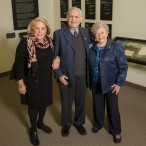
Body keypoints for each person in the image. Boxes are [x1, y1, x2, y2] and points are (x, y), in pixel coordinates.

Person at [10, 17, 56, 146]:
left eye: (43, 28)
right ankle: (33, 129)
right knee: (34, 104)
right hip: (31, 79)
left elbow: (55, 56)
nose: (40, 31)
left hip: (46, 78)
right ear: (32, 29)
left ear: (46, 29)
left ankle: (40, 123)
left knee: (45, 102)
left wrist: (57, 59)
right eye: (37, 28)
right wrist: (21, 84)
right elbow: (18, 65)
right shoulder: (25, 43)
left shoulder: (50, 42)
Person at [53, 7, 91, 137]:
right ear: (67, 18)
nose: (73, 19)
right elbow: (55, 55)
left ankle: (79, 122)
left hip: (83, 75)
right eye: (71, 16)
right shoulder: (58, 33)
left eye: (76, 17)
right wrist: (58, 74)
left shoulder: (86, 32)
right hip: (65, 75)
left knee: (81, 101)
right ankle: (66, 124)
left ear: (81, 19)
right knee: (66, 101)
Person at [88, 21, 128, 144]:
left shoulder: (116, 47)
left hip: (111, 84)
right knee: (97, 105)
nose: (100, 35)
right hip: (96, 82)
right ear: (94, 35)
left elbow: (123, 67)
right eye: (97, 33)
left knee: (113, 108)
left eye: (102, 32)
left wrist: (119, 83)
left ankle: (116, 131)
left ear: (107, 33)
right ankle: (98, 124)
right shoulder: (91, 47)